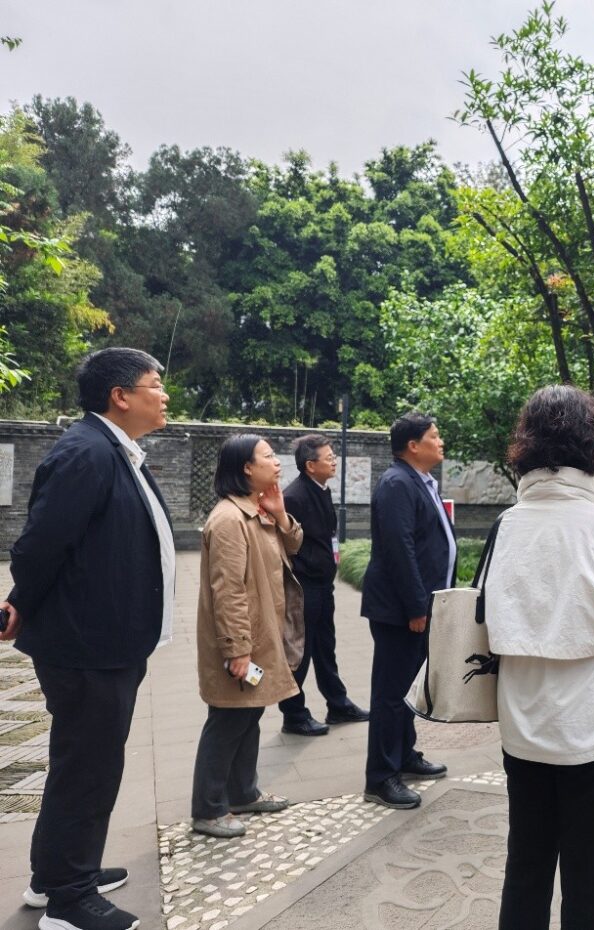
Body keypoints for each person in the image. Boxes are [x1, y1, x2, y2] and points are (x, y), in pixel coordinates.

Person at [0, 348, 173, 930]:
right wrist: (21, 601)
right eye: (155, 385)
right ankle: (70, 902)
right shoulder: (87, 453)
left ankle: (55, 876)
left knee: (83, 763)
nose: (164, 395)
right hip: (87, 645)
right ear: (119, 396)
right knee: (88, 768)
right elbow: (41, 543)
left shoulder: (113, 450)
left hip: (107, 640)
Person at [486, 385, 594, 930]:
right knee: (588, 877)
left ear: (526, 444)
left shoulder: (506, 526)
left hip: (523, 720)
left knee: (526, 865)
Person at [190, 435, 305, 839]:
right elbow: (229, 591)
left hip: (262, 637)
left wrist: (280, 513)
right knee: (228, 719)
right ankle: (208, 809)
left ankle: (242, 792)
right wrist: (238, 650)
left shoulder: (257, 510)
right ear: (246, 467)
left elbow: (294, 545)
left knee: (249, 713)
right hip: (243, 645)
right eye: (268, 456)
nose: (277, 462)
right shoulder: (229, 519)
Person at [361, 413, 452, 809]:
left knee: (409, 689)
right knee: (390, 694)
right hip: (400, 611)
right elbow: (400, 549)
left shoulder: (420, 481)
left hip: (419, 606)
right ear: (413, 446)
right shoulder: (397, 483)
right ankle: (381, 777)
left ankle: (404, 755)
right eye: (434, 435)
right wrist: (416, 606)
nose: (440, 441)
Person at [278, 434, 368, 736]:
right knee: (300, 653)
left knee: (325, 648)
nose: (334, 462)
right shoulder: (294, 497)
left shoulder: (321, 489)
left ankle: (338, 705)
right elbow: (287, 545)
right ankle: (293, 714)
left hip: (323, 585)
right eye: (328, 458)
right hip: (304, 587)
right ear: (310, 465)